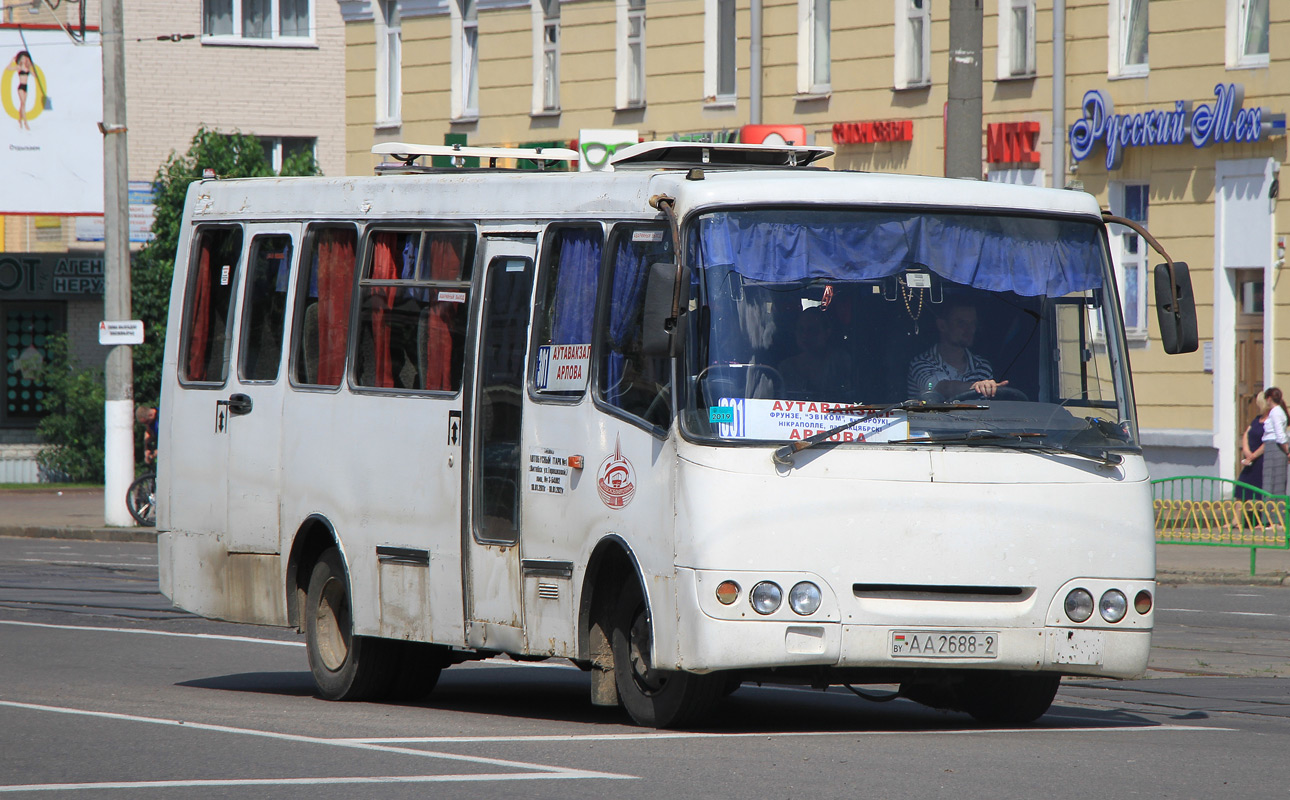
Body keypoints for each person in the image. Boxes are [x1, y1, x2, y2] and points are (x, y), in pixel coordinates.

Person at [906, 300, 1007, 399]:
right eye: (961, 323)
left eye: (973, 323)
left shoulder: (982, 367)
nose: (970, 329)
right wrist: (976, 386)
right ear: (942, 326)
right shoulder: (921, 363)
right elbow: (941, 388)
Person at [1258, 387, 1289, 497]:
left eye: (1266, 399)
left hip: (1275, 448)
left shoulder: (1275, 412)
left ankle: (1274, 512)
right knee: (1272, 483)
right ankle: (1271, 511)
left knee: (1273, 483)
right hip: (1274, 447)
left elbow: (1280, 435)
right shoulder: (1277, 411)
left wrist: (1287, 451)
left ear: (1269, 399)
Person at [10, 51, 33, 130]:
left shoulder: (28, 68)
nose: (24, 59)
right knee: (23, 103)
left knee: (22, 104)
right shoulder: (19, 67)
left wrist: (30, 65)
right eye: (22, 58)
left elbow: (35, 75)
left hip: (26, 87)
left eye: (25, 58)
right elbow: (9, 68)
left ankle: (19, 120)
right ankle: (25, 123)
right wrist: (12, 61)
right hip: (21, 87)